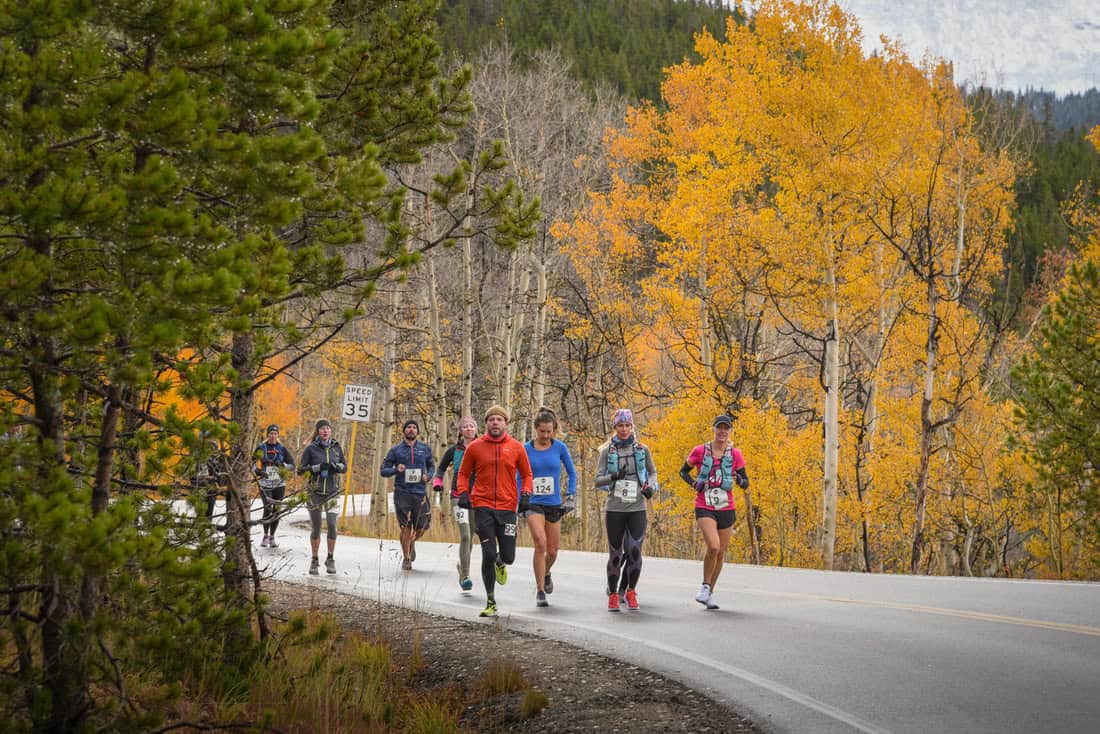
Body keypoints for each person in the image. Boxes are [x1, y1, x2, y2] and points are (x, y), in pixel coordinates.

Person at [456, 405, 533, 618]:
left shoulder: (516, 447)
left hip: (508, 508)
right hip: (483, 506)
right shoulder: (475, 447)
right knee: (488, 554)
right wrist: (464, 493)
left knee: (508, 555)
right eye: (491, 419)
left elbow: (527, 474)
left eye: (499, 419)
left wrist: (526, 494)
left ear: (506, 423)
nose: (495, 423)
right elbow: (463, 474)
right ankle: (490, 600)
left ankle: (502, 563)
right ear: (486, 423)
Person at [679, 414, 749, 610]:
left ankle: (709, 593)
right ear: (713, 429)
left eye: (726, 428)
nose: (722, 431)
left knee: (720, 553)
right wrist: (694, 483)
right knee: (714, 547)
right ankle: (704, 586)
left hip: (727, 507)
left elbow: (745, 482)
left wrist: (738, 480)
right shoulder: (700, 451)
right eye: (719, 428)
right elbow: (683, 471)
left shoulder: (735, 454)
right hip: (705, 505)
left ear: (730, 431)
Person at [594, 408, 657, 612]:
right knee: (616, 553)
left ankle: (631, 591)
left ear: (632, 427)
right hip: (615, 509)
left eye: (627, 425)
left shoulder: (642, 450)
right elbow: (598, 480)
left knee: (635, 551)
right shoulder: (607, 451)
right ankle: (613, 595)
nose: (623, 429)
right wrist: (614, 478)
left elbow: (653, 473)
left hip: (637, 507)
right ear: (615, 427)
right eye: (620, 425)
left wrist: (650, 487)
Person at [523, 407, 577, 607]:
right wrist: (523, 495)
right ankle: (539, 590)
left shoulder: (560, 447)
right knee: (540, 542)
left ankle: (546, 573)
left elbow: (572, 473)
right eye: (542, 431)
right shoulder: (526, 448)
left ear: (554, 429)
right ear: (536, 429)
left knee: (553, 551)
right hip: (533, 502)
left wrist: (570, 495)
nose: (546, 435)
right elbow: (519, 473)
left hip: (554, 503)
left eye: (549, 431)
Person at [380, 419, 436, 571]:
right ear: (404, 431)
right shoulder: (395, 450)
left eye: (414, 427)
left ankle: (412, 541)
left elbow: (432, 466)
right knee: (405, 526)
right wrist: (395, 469)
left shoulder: (424, 449)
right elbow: (383, 470)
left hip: (420, 493)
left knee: (423, 525)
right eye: (408, 427)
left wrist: (428, 476)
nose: (411, 429)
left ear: (417, 431)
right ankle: (406, 558)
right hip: (402, 492)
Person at [433, 415, 479, 590]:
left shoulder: (482, 447)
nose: (468, 429)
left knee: (472, 536)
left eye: (471, 426)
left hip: (476, 496)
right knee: (465, 535)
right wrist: (438, 482)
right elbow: (441, 468)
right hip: (457, 496)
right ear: (460, 431)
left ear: (476, 429)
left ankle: (462, 567)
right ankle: (466, 575)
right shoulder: (454, 450)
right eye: (465, 426)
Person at [297, 419, 347, 575]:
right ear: (318, 431)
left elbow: (344, 467)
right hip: (315, 493)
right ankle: (314, 560)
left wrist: (336, 466)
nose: (325, 431)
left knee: (332, 525)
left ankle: (330, 558)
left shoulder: (336, 448)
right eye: (322, 429)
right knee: (316, 527)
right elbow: (300, 470)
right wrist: (317, 468)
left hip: (332, 492)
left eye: (328, 428)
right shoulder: (311, 449)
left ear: (331, 431)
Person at [253, 424, 295, 548]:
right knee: (267, 507)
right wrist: (259, 471)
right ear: (268, 434)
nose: (273, 436)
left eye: (275, 433)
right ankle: (265, 535)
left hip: (279, 483)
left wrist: (283, 466)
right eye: (271, 433)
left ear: (278, 435)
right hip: (265, 482)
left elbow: (292, 465)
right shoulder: (261, 447)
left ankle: (272, 537)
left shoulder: (282, 448)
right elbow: (251, 463)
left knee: (277, 509)